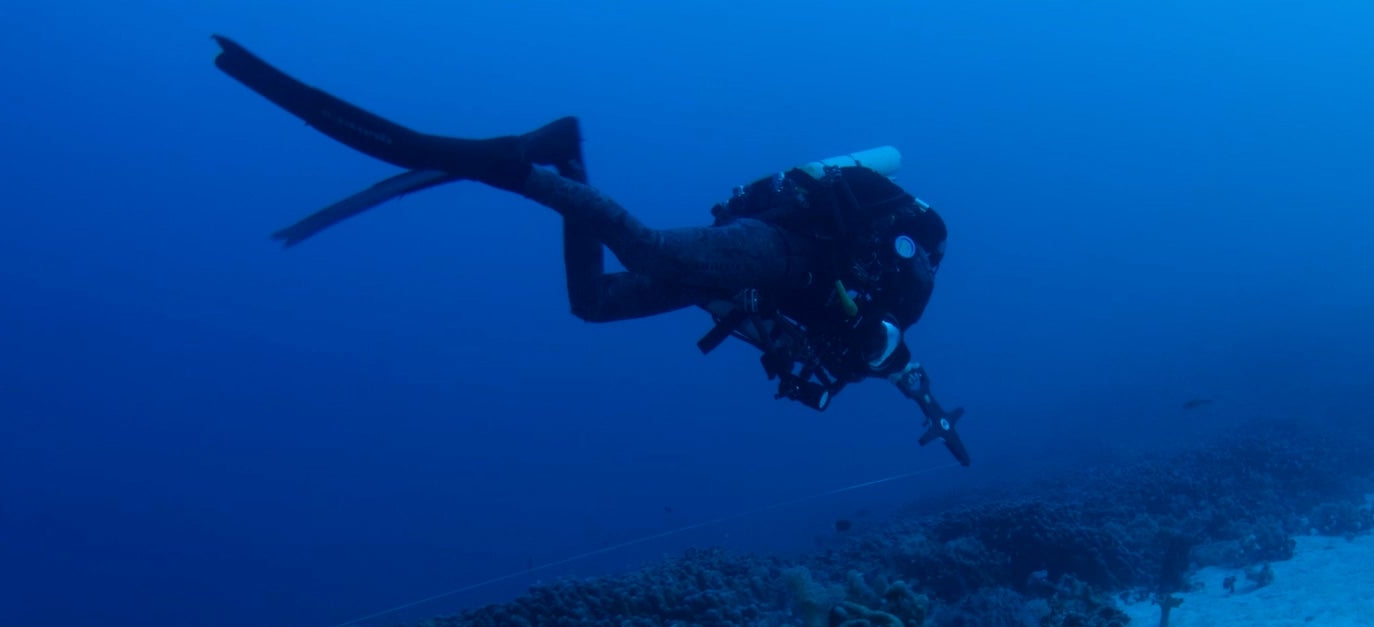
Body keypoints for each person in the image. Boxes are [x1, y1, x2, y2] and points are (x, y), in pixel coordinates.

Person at [209, 36, 970, 464]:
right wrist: (878, 362)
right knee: (646, 254)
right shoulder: (871, 329)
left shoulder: (875, 344)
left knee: (594, 304)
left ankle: (563, 155)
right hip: (776, 252)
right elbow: (892, 355)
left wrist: (938, 419)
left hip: (752, 285)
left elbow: (913, 379)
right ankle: (518, 168)